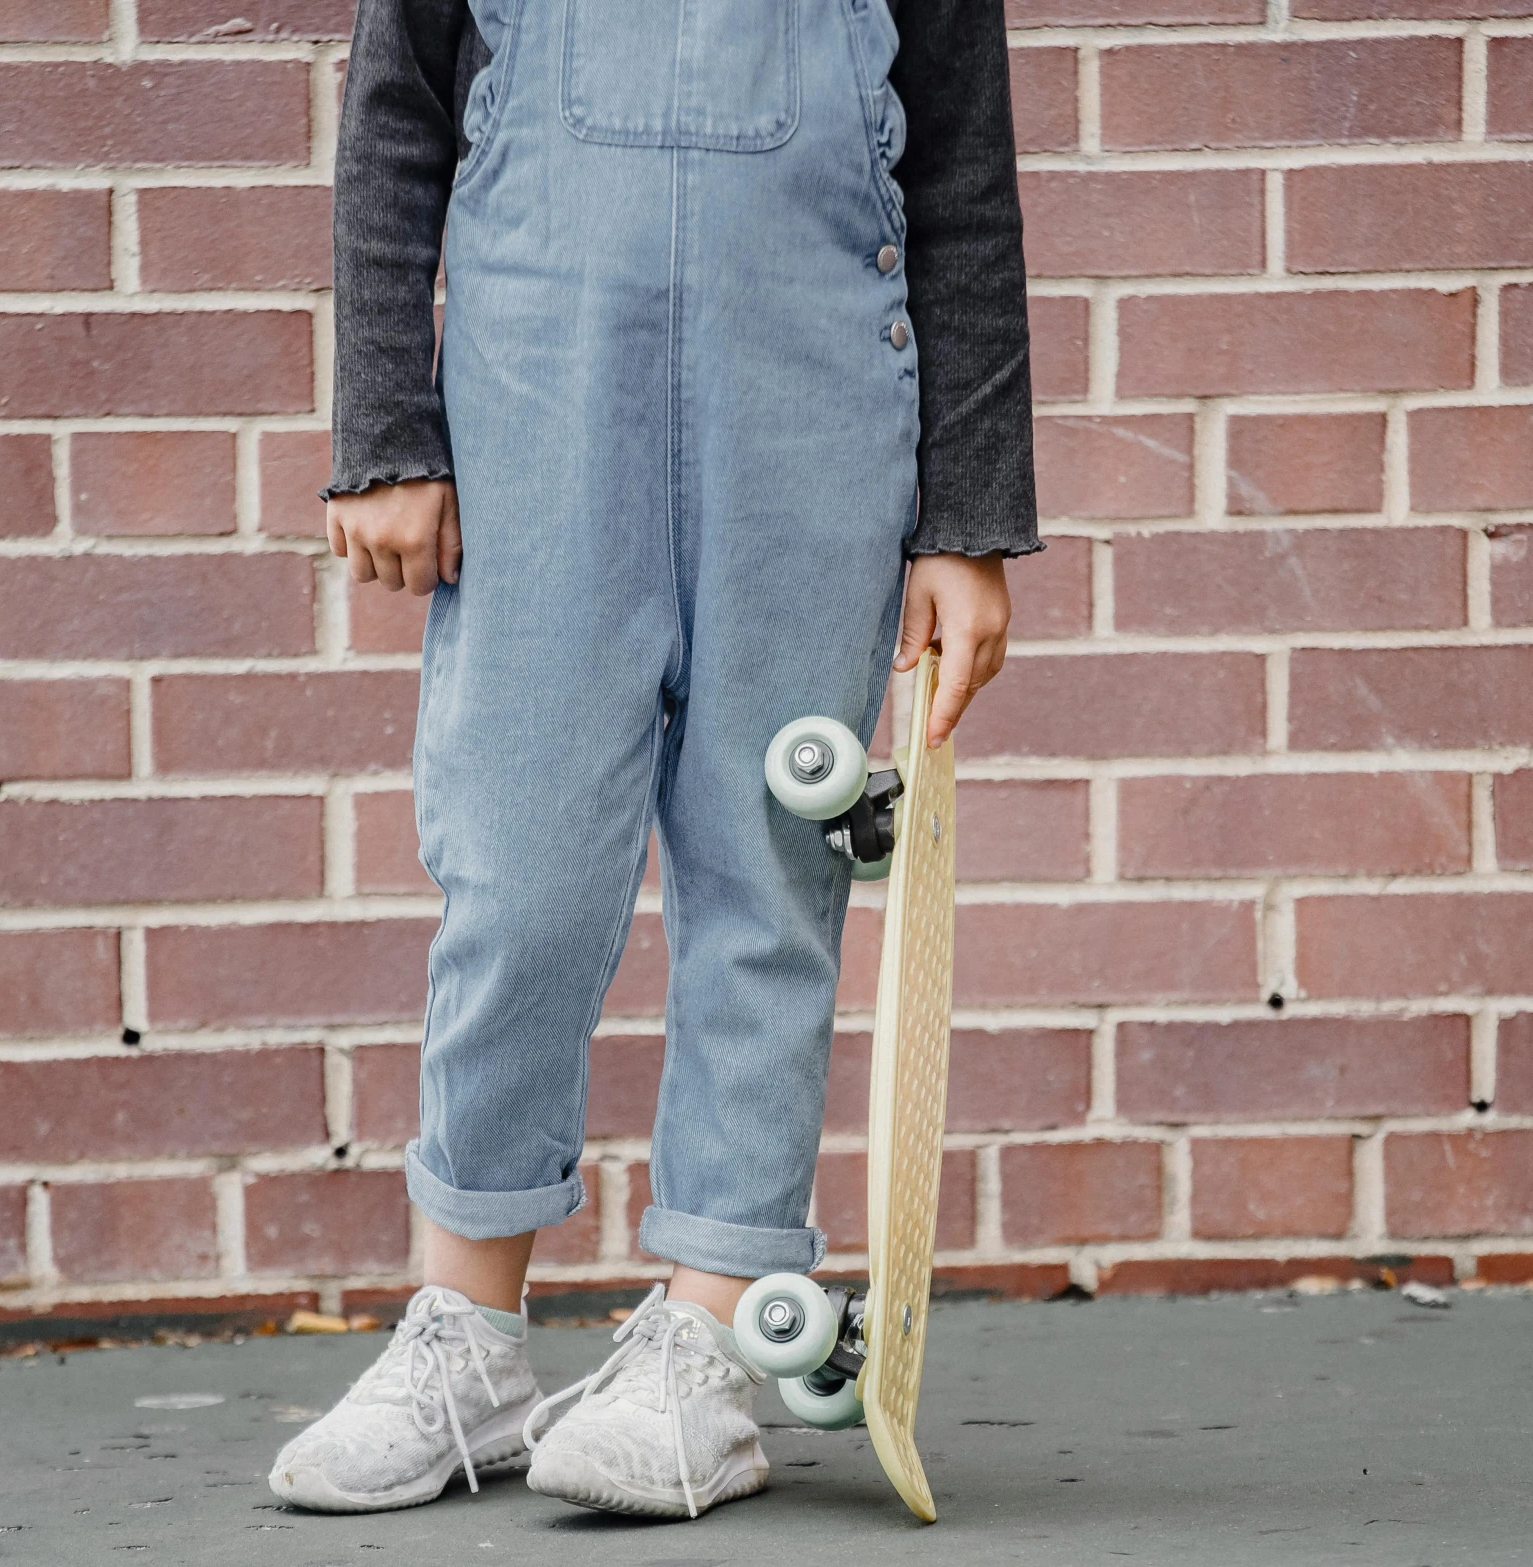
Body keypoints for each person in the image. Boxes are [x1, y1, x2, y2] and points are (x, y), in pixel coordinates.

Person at [268, 0, 1039, 1520]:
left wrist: (968, 521)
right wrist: (383, 431)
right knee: (521, 868)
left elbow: (961, 180)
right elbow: (394, 125)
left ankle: (705, 1329)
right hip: (535, 401)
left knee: (769, 864)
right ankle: (467, 1330)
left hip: (811, 405)